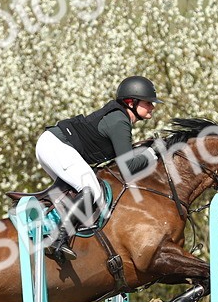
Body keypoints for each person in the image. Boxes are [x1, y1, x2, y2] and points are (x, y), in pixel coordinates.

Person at [35, 75, 162, 262]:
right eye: (148, 102)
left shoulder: (119, 118)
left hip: (52, 145)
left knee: (82, 194)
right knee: (92, 190)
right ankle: (58, 239)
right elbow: (127, 167)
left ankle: (55, 230)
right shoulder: (119, 121)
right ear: (131, 102)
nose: (152, 106)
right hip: (55, 146)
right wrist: (152, 154)